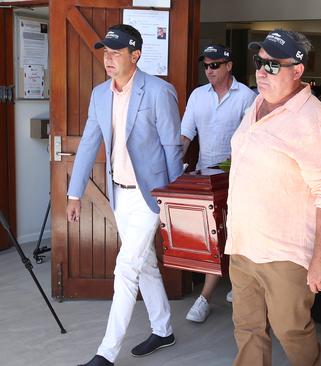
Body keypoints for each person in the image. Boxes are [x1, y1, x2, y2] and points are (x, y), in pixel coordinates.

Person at [225, 29, 321, 366]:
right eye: (259, 62)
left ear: (298, 71)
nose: (261, 71)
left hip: (284, 253)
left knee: (291, 330)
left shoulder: (315, 123)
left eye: (273, 65)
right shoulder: (257, 103)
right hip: (243, 244)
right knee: (247, 328)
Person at [67, 24, 183, 366]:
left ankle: (106, 353)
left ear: (135, 55)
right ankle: (163, 330)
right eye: (106, 52)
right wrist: (74, 194)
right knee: (144, 263)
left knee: (126, 267)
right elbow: (89, 144)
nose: (108, 59)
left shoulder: (160, 91)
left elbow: (172, 149)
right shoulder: (100, 94)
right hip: (119, 195)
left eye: (116, 53)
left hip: (152, 195)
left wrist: (173, 201)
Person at [181, 44, 256, 323]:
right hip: (204, 178)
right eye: (206, 65)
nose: (209, 70)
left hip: (237, 179)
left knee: (234, 235)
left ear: (229, 66)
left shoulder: (247, 97)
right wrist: (171, 167)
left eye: (215, 65)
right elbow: (185, 135)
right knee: (210, 238)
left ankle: (213, 293)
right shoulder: (198, 96)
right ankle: (208, 296)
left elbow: (250, 141)